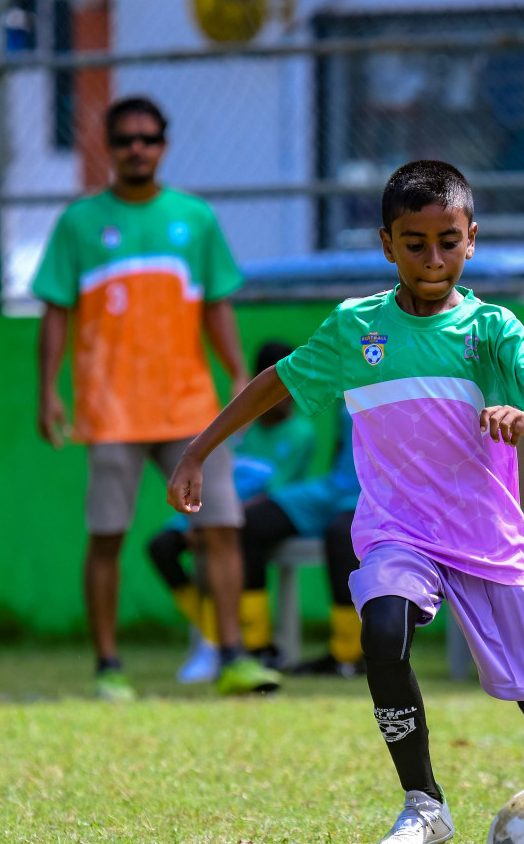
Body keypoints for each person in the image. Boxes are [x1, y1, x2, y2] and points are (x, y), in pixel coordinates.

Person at [167, 160, 524, 844]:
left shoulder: (492, 329)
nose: (434, 258)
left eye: (449, 241)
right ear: (387, 243)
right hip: (399, 532)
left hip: (489, 541)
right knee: (382, 628)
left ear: (472, 239)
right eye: (415, 242)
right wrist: (198, 450)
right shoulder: (355, 326)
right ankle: (424, 803)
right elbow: (276, 382)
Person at [32, 95, 282, 701]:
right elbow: (56, 314)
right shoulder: (79, 223)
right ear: (108, 148)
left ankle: (234, 658)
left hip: (190, 410)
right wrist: (48, 390)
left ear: (163, 146)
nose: (136, 149)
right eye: (125, 140)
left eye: (147, 138)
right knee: (108, 536)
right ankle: (108, 667)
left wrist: (238, 375)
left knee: (222, 528)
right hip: (109, 408)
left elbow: (215, 305)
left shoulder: (193, 219)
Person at [147, 340, 316, 682]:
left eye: (289, 393)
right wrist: (200, 519)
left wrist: (216, 522)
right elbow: (216, 473)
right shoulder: (241, 426)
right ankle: (211, 631)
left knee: (227, 540)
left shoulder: (301, 432)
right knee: (161, 546)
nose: (282, 401)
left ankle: (234, 645)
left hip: (242, 516)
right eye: (276, 390)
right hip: (210, 508)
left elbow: (279, 490)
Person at [235, 406, 363, 676]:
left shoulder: (418, 380)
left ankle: (347, 656)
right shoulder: (355, 376)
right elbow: (343, 444)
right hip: (334, 488)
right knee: (251, 523)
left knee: (341, 534)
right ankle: (257, 647)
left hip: (376, 493)